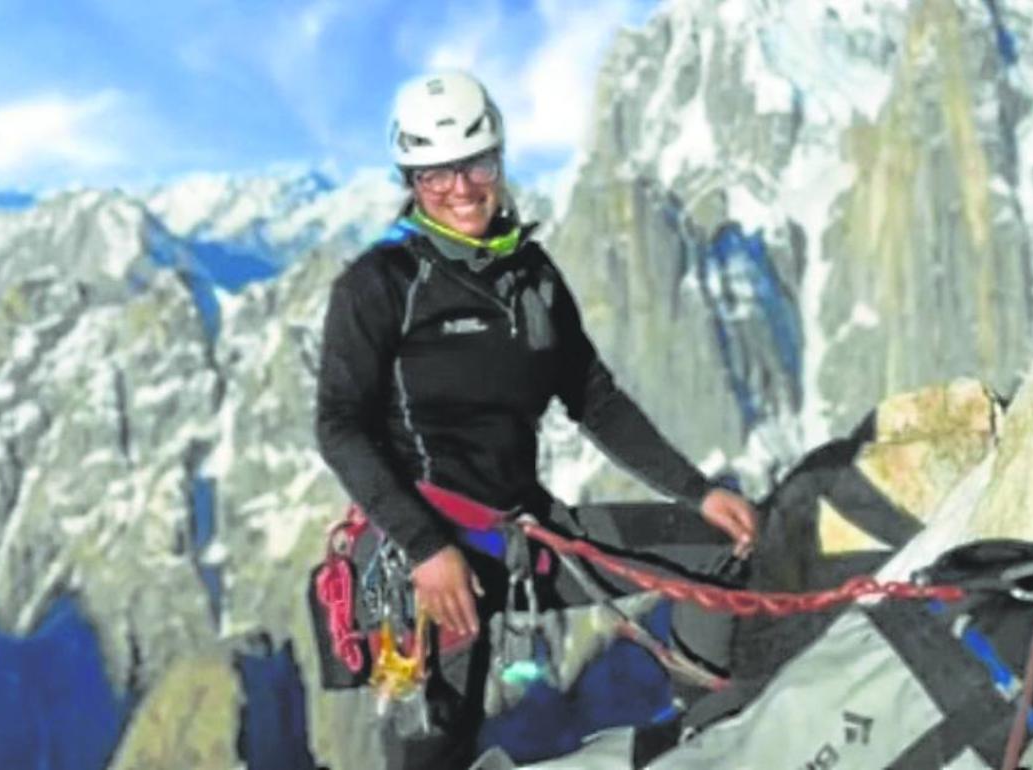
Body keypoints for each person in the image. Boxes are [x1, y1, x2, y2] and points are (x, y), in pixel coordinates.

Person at [315, 70, 758, 769]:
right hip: (424, 563)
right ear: (411, 179)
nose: (461, 188)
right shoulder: (380, 285)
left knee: (713, 546)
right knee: (435, 755)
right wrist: (428, 549)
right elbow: (339, 425)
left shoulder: (533, 276)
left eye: (476, 165)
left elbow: (594, 399)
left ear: (499, 160)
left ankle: (704, 742)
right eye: (436, 175)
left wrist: (697, 491)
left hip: (526, 534)